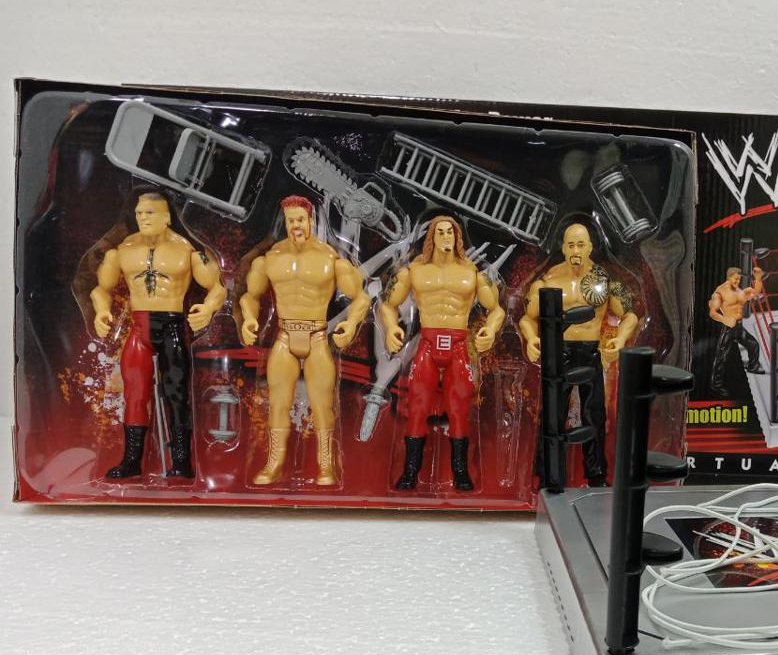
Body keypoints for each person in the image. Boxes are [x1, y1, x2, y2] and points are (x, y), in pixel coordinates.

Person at [90, 191, 225, 480]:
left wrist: (208, 308)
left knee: (176, 395)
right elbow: (100, 289)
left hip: (172, 326)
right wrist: (101, 312)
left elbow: (217, 287)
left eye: (149, 213)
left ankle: (182, 461)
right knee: (135, 395)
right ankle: (131, 461)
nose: (142, 218)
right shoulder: (122, 250)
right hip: (139, 328)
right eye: (139, 213)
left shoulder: (187, 251)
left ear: (166, 217)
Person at [240, 195, 369, 486]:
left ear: (311, 220)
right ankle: (274, 463)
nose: (296, 225)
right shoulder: (270, 258)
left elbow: (361, 298)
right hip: (284, 336)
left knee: (323, 405)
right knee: (278, 403)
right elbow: (250, 296)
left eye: (300, 219)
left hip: (317, 337)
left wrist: (350, 324)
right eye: (290, 221)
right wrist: (248, 319)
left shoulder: (330, 259)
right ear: (284, 222)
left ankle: (326, 466)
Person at [381, 215, 505, 492]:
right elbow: (387, 304)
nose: (446, 236)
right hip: (427, 344)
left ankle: (460, 472)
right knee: (417, 407)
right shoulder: (415, 270)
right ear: (432, 237)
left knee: (460, 409)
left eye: (451, 232)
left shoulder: (473, 273)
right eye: (441, 232)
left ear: (458, 237)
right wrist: (391, 328)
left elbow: (496, 309)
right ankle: (410, 471)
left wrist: (490, 330)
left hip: (458, 345)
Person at [519, 223, 638, 486]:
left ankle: (596, 474)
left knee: (594, 413)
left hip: (590, 350)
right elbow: (527, 318)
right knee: (553, 413)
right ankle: (547, 474)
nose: (575, 250)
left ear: (590, 247)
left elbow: (629, 315)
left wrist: (619, 339)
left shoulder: (604, 280)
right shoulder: (548, 280)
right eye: (571, 245)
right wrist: (531, 338)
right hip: (558, 351)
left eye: (580, 245)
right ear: (563, 248)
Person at [707, 265, 766, 396]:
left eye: (739, 279)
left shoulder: (738, 290)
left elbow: (755, 293)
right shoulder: (720, 292)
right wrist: (725, 319)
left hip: (738, 326)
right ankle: (716, 385)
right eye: (735, 279)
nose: (737, 282)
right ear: (729, 277)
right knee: (721, 356)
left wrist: (758, 279)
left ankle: (753, 366)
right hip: (728, 327)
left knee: (753, 344)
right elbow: (712, 312)